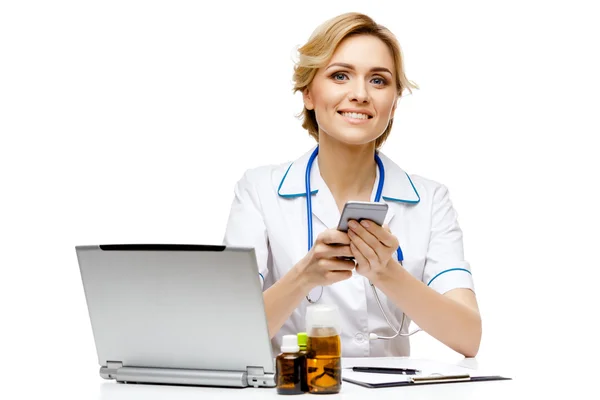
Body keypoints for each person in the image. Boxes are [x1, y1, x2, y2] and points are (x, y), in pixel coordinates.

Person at [223, 12, 481, 358]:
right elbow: (229, 336)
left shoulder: (430, 200)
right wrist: (305, 275)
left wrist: (387, 273)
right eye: (340, 76)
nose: (359, 94)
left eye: (378, 80)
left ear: (394, 102)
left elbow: (468, 337)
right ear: (308, 94)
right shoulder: (258, 190)